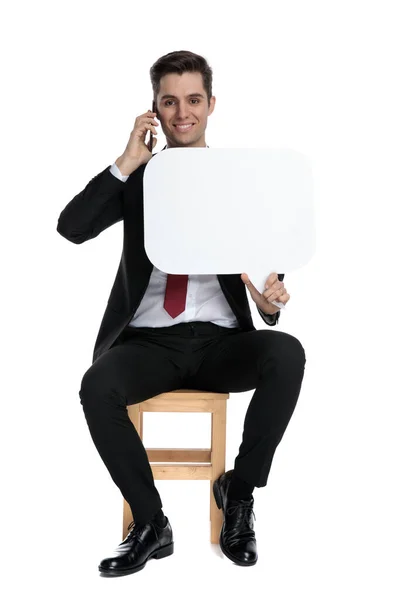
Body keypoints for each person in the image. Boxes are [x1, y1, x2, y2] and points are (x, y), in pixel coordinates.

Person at [56, 50, 306, 577]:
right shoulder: (138, 179)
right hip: (148, 343)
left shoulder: (240, 182)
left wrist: (267, 300)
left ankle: (238, 494)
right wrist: (126, 163)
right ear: (155, 110)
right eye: (169, 101)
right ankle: (151, 523)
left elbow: (264, 278)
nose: (182, 112)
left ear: (212, 104)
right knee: (95, 386)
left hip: (220, 343)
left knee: (287, 353)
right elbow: (71, 228)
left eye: (193, 99)